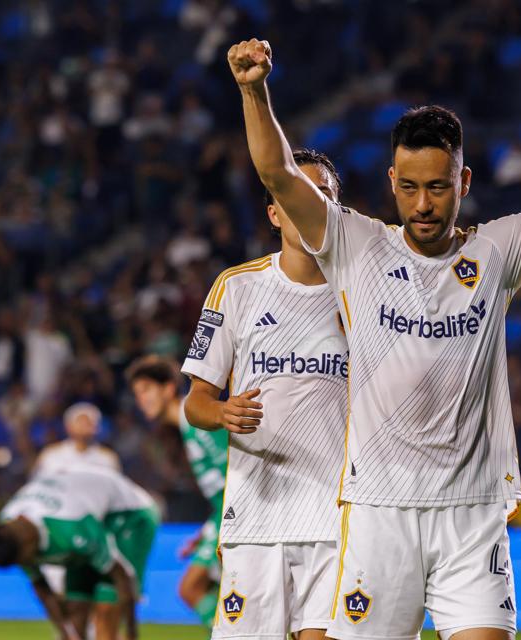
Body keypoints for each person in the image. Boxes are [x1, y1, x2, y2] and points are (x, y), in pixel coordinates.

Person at [228, 37, 521, 640]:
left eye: (438, 187)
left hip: (471, 516)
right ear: (392, 181)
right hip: (378, 513)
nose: (423, 204)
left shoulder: (498, 251)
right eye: (411, 187)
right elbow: (277, 173)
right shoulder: (354, 245)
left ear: (463, 180)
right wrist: (253, 90)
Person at [182, 148, 349, 640]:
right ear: (274, 212)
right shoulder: (235, 287)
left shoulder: (363, 292)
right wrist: (222, 411)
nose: (309, 204)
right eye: (293, 193)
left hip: (336, 519)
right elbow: (196, 403)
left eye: (323, 194)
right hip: (256, 516)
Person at [0, 468, 159, 640]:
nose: (25, 564)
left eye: (23, 560)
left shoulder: (71, 527)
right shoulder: (8, 533)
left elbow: (122, 577)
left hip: (129, 515)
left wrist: (131, 633)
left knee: (106, 612)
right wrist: (67, 633)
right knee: (76, 609)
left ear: (28, 546)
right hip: (88, 516)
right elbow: (41, 587)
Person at [127, 355, 227, 629]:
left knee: (192, 588)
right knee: (203, 591)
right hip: (223, 518)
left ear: (169, 388)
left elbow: (235, 469)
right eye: (137, 394)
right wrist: (207, 531)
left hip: (237, 518)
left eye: (146, 390)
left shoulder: (196, 418)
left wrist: (221, 527)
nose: (141, 400)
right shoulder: (185, 426)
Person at [33, 402, 121, 475]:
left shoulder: (107, 458)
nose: (85, 425)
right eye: (81, 421)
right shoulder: (51, 454)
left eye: (90, 422)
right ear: (68, 426)